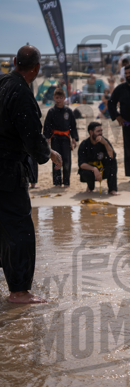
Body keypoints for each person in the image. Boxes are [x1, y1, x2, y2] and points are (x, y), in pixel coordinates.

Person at [0, 45, 62, 303]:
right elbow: (33, 140)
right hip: (7, 172)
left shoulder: (2, 82)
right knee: (20, 229)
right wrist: (50, 154)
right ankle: (19, 292)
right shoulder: (22, 94)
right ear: (36, 69)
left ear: (15, 61)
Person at [43, 88, 79, 187]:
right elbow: (47, 125)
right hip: (55, 138)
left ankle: (66, 182)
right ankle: (57, 181)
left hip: (66, 138)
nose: (59, 100)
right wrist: (47, 138)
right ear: (54, 98)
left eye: (61, 97)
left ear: (64, 98)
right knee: (56, 159)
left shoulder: (68, 111)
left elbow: (73, 126)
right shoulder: (51, 111)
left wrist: (74, 138)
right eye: (57, 97)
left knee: (67, 159)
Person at [78, 122, 118, 195]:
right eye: (98, 131)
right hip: (90, 172)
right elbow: (81, 164)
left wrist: (106, 144)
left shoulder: (104, 141)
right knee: (86, 172)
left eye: (101, 131)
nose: (100, 133)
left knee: (113, 162)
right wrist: (94, 169)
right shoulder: (84, 144)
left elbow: (112, 156)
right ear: (91, 132)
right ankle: (90, 187)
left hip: (102, 170)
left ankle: (112, 189)